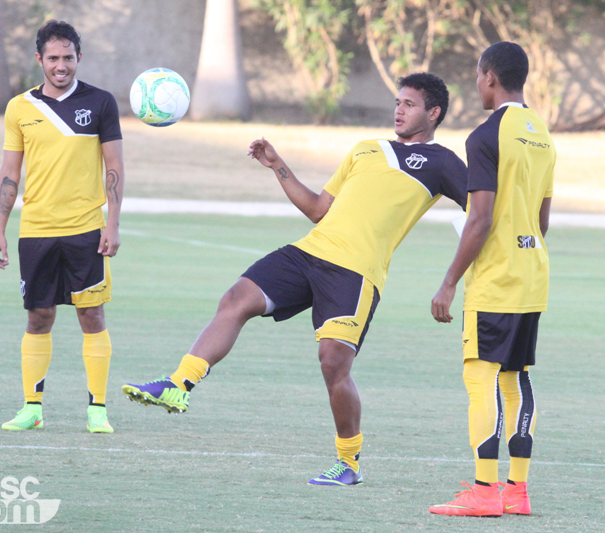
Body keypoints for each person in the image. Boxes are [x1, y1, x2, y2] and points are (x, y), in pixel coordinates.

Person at [123, 72, 468, 485]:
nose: (398, 110)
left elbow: (483, 210)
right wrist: (277, 165)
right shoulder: (365, 150)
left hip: (356, 273)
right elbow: (320, 209)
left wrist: (455, 277)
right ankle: (179, 382)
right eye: (397, 102)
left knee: (333, 364)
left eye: (409, 104)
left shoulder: (443, 163)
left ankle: (349, 464)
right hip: (309, 252)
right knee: (236, 298)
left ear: (433, 113)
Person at [427, 42, 555, 516]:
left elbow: (478, 219)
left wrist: (448, 282)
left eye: (478, 76)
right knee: (515, 378)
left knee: (480, 377)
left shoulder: (486, 136)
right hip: (532, 274)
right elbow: (540, 221)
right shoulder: (541, 133)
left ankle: (484, 491)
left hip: (497, 279)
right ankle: (516, 492)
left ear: (489, 78)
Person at [0, 20, 125, 434]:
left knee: (91, 315)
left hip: (86, 228)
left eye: (68, 57)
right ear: (40, 60)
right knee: (39, 317)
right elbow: (10, 174)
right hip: (36, 230)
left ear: (79, 58)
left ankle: (97, 410)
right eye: (53, 58)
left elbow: (115, 167)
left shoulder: (101, 103)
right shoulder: (19, 108)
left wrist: (113, 224)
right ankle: (32, 408)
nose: (61, 65)